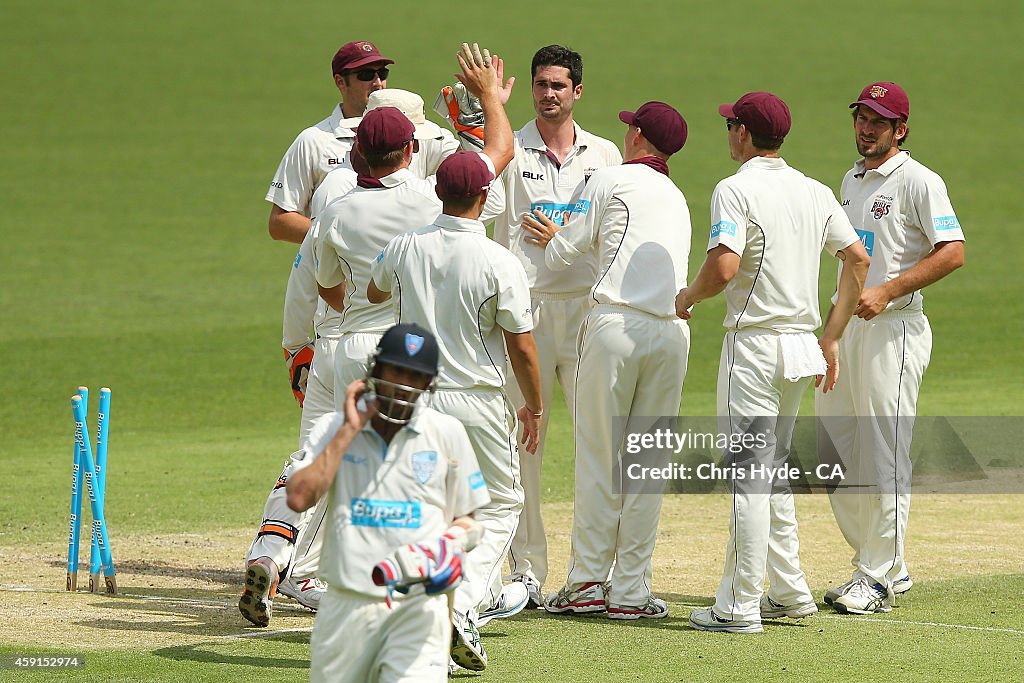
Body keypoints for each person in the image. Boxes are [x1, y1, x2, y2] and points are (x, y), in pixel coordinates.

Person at [678, 92, 870, 634]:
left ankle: (738, 607)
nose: (727, 133)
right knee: (772, 469)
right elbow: (857, 259)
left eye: (730, 125)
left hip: (755, 346)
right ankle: (789, 591)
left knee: (749, 477)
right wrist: (831, 336)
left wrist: (687, 298)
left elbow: (723, 266)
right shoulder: (813, 189)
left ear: (742, 133)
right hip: (800, 345)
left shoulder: (734, 189)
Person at [368, 150, 543, 670]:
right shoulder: (499, 261)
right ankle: (461, 608)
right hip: (477, 401)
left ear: (439, 193)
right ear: (485, 198)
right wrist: (532, 407)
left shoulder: (404, 246)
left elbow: (376, 288)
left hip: (412, 402)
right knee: (501, 504)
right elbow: (523, 347)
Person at [522, 101, 691, 620]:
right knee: (645, 463)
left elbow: (566, 251)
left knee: (600, 455)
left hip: (616, 325)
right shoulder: (678, 196)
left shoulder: (611, 178)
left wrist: (554, 241)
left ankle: (588, 582)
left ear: (637, 136)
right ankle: (633, 591)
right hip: (672, 334)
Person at [817, 81, 965, 615]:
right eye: (861, 117)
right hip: (849, 330)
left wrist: (888, 290)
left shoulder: (919, 181)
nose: (866, 127)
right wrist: (831, 329)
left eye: (878, 121)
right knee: (835, 446)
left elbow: (953, 252)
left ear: (900, 129)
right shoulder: (850, 179)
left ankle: (876, 576)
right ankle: (885, 561)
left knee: (884, 452)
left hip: (894, 330)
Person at [285, 324, 490, 683]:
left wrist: (448, 546)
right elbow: (299, 496)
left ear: (429, 382)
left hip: (418, 609)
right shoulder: (336, 428)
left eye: (415, 375)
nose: (403, 383)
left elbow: (469, 521)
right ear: (375, 370)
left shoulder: (447, 433)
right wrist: (350, 428)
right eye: (395, 370)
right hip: (347, 606)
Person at [493, 45, 622, 606]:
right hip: (527, 313)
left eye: (558, 86)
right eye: (541, 85)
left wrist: (564, 242)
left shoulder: (607, 154)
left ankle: (595, 571)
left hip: (589, 313)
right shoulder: (508, 149)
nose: (549, 94)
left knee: (598, 439)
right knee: (526, 442)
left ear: (577, 92)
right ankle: (526, 572)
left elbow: (618, 228)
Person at [316, 44, 512, 405]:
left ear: (358, 147)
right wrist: (487, 102)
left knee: (357, 452)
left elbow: (326, 285)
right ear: (410, 149)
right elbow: (500, 157)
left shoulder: (333, 209)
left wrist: (363, 308)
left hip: (355, 344)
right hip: (410, 343)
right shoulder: (432, 198)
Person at [265, 40, 458, 244]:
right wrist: (344, 238)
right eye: (366, 75)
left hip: (402, 268)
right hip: (338, 272)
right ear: (340, 81)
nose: (377, 82)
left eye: (382, 73)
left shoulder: (419, 133)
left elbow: (470, 169)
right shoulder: (314, 140)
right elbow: (280, 222)